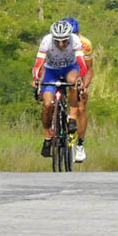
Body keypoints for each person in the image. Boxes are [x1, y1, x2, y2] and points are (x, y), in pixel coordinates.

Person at [32, 20, 87, 158]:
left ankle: (72, 118)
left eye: (64, 41)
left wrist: (81, 77)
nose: (61, 44)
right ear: (52, 38)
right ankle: (47, 137)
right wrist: (36, 78)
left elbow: (81, 63)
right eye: (57, 41)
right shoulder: (46, 41)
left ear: (69, 37)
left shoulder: (75, 40)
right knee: (46, 104)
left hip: (69, 68)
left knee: (73, 82)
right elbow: (38, 64)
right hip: (51, 71)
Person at [62, 17, 92, 162]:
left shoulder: (85, 44)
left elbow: (89, 69)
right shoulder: (57, 41)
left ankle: (80, 144)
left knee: (80, 108)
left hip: (80, 73)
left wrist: (85, 87)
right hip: (61, 71)